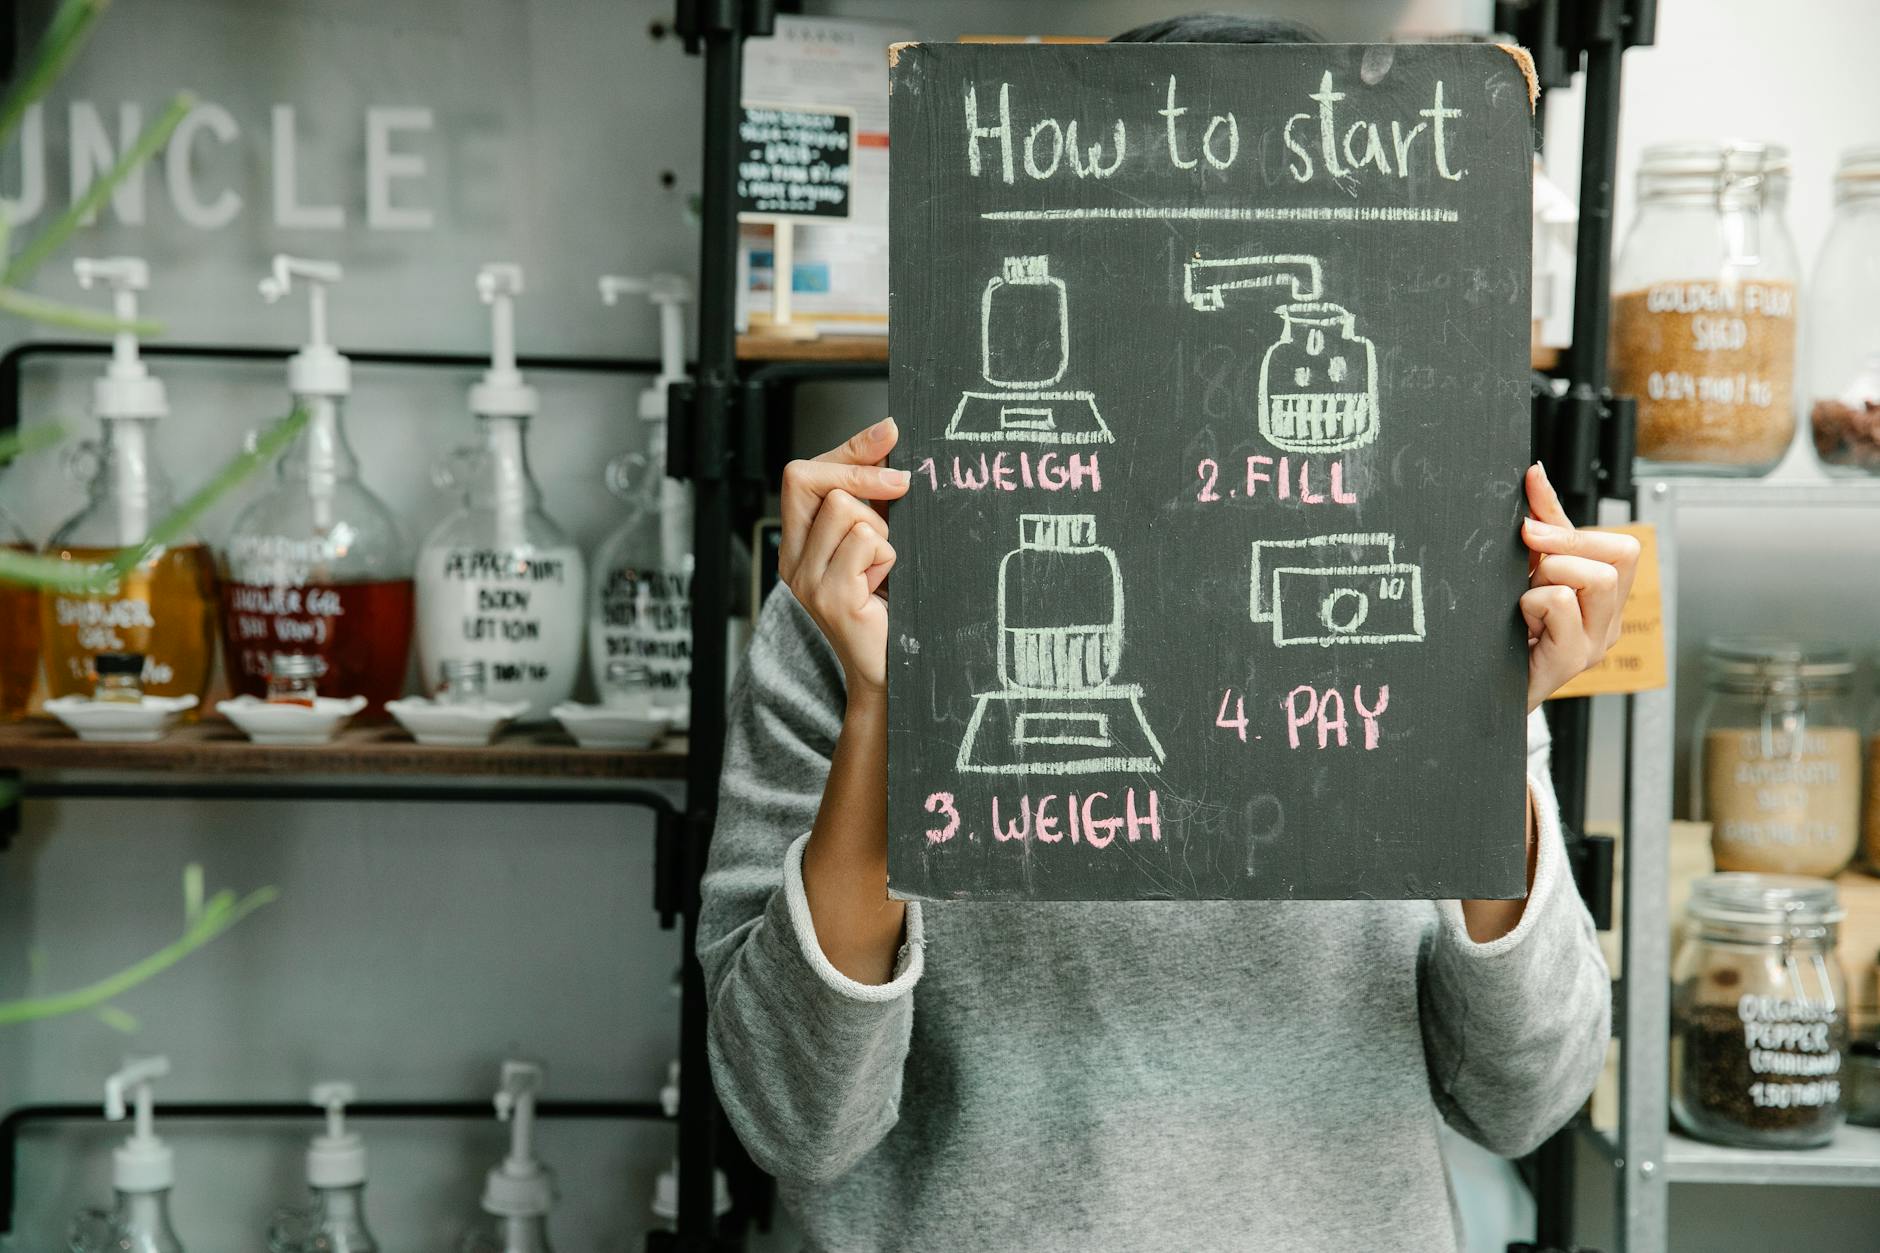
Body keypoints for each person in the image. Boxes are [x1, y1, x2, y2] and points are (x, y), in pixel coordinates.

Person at [699, 16, 1639, 1251]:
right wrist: (890, 703)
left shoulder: (1438, 592)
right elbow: (792, 1115)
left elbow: (1525, 1094)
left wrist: (1469, 728)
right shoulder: (852, 599)